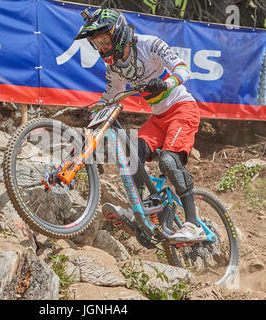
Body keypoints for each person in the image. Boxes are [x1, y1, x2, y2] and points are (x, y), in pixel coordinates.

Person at [74, 7, 204, 242]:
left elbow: (183, 69)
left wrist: (165, 84)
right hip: (157, 118)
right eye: (97, 43)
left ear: (118, 32)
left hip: (182, 109)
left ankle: (193, 224)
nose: (102, 47)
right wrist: (89, 110)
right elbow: (110, 96)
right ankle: (146, 215)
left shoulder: (149, 44)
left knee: (168, 160)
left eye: (104, 40)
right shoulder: (114, 67)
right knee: (132, 155)